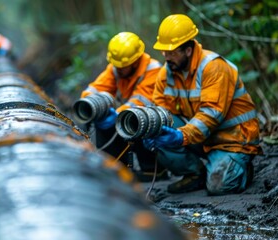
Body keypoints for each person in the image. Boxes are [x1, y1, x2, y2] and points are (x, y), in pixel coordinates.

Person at [144, 14, 262, 195]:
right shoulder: (167, 73)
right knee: (155, 125)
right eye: (164, 51)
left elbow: (211, 114)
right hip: (201, 138)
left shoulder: (213, 67)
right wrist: (151, 129)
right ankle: (195, 173)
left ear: (188, 50)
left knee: (219, 186)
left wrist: (180, 136)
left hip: (233, 140)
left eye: (172, 52)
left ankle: (240, 169)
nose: (166, 57)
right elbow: (159, 107)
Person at [80, 32, 168, 182]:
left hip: (154, 122)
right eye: (116, 65)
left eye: (122, 66)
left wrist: (117, 115)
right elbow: (96, 88)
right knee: (105, 119)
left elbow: (141, 101)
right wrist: (91, 104)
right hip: (128, 115)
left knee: (139, 119)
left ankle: (154, 170)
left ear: (135, 62)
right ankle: (115, 166)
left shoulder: (153, 70)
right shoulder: (117, 68)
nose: (118, 69)